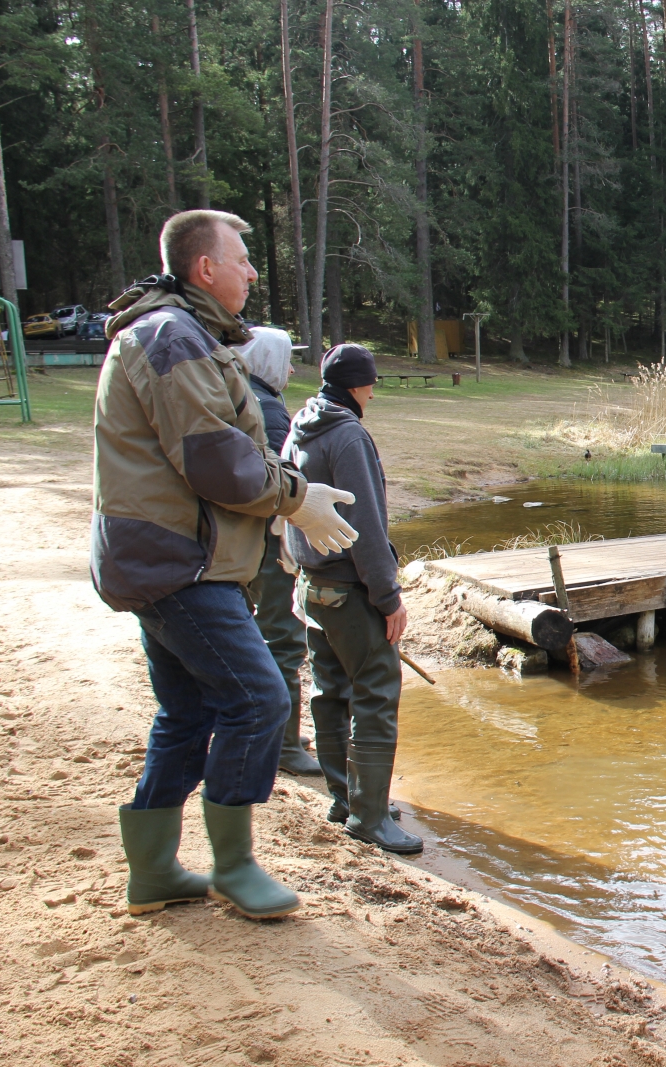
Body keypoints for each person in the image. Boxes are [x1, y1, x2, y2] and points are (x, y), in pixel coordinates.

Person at [94, 209, 358, 920]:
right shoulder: (172, 337)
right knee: (261, 698)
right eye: (241, 258)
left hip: (168, 558)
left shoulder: (183, 333)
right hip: (179, 563)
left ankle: (151, 871)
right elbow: (217, 461)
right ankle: (234, 865)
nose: (250, 269)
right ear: (203, 268)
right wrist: (294, 500)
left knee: (187, 712)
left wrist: (283, 503)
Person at [283, 344, 421, 854]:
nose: (372, 392)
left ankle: (346, 799)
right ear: (358, 386)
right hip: (349, 589)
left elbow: (291, 503)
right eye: (371, 383)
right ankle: (368, 817)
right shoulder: (348, 435)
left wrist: (296, 566)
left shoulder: (303, 422)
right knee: (376, 694)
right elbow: (365, 527)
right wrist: (389, 599)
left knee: (331, 689)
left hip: (312, 585)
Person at [238, 326, 321, 776]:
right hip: (268, 546)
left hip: (246, 543)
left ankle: (275, 727)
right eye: (286, 359)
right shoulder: (265, 407)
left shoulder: (242, 394)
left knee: (261, 635)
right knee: (283, 639)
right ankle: (284, 746)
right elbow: (277, 484)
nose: (290, 369)